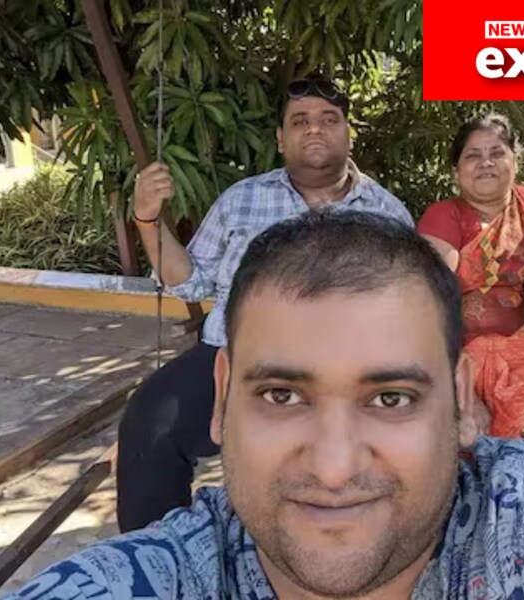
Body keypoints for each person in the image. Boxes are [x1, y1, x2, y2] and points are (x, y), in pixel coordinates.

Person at [5, 212, 524, 600]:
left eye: (391, 397)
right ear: (223, 401)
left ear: (463, 403)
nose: (333, 468)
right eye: (281, 394)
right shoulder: (159, 575)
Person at [117, 75, 413, 532]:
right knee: (150, 420)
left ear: (348, 134)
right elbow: (191, 282)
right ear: (280, 138)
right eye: (300, 120)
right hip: (234, 355)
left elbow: (403, 310)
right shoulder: (241, 200)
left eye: (328, 119)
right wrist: (147, 220)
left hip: (343, 370)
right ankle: (156, 557)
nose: (314, 128)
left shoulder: (387, 213)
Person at [417, 114, 524, 449]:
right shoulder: (444, 215)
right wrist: (460, 387)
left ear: (515, 162)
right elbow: (430, 299)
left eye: (496, 153)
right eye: (473, 155)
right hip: (459, 358)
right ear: (457, 170)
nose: (486, 163)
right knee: (457, 444)